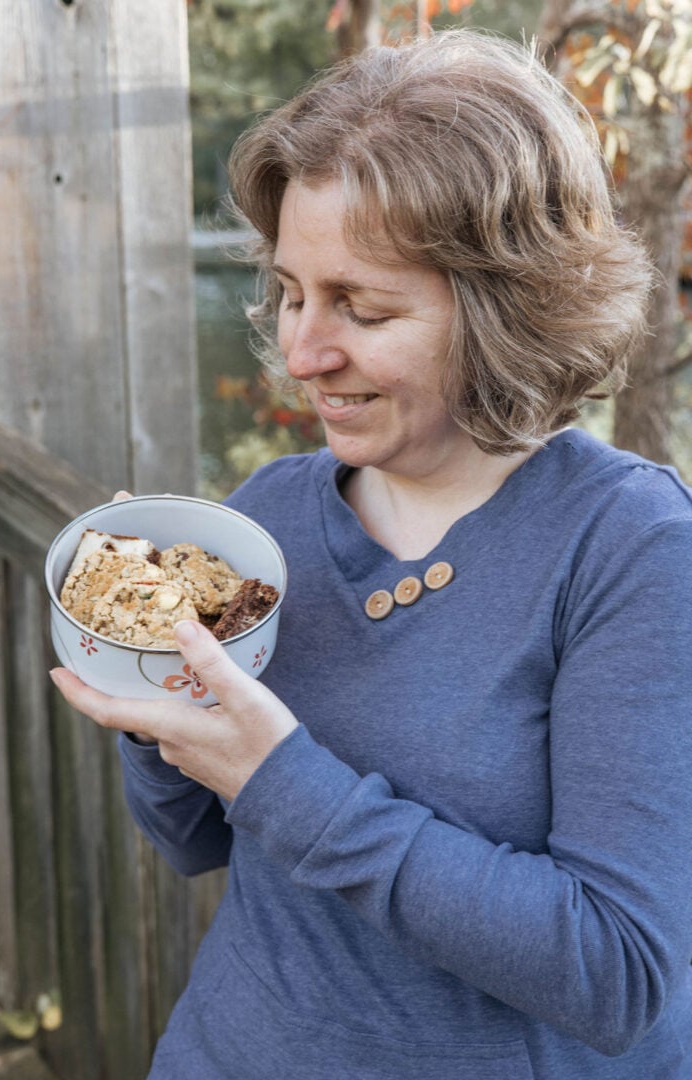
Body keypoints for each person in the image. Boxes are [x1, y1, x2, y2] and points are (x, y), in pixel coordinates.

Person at [49, 29, 692, 1079]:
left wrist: (281, 776)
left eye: (363, 306)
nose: (304, 353)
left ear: (506, 310)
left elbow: (618, 972)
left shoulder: (633, 553)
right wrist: (148, 678)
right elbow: (195, 840)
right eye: (294, 293)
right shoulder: (270, 515)